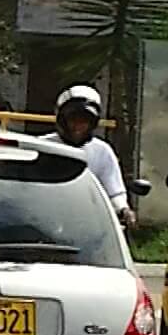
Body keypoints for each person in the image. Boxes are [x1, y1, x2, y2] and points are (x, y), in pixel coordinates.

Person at [55, 84, 136, 230]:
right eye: (73, 119)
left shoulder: (102, 151)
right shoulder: (43, 146)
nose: (78, 126)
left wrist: (124, 210)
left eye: (84, 121)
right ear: (62, 120)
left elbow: (114, 191)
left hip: (91, 227)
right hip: (48, 222)